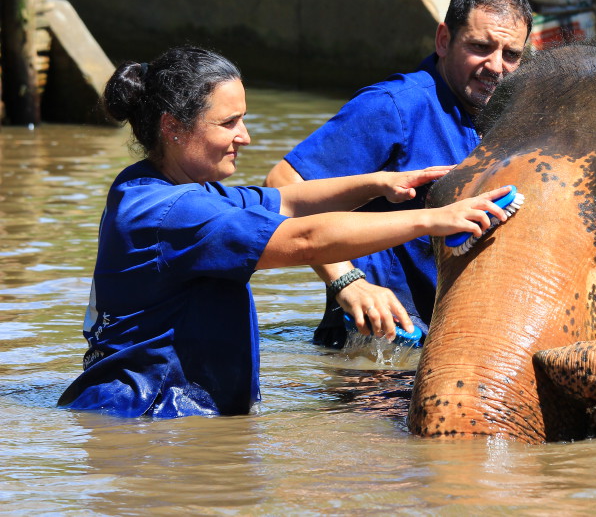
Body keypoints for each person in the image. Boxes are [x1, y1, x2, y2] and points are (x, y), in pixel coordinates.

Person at [58, 46, 512, 418]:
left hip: (155, 411)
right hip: (147, 419)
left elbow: (287, 200)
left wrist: (384, 183)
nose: (246, 136)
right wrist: (433, 220)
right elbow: (302, 239)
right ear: (173, 128)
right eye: (229, 123)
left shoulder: (151, 187)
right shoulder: (174, 213)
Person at [265, 0, 533, 347]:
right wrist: (348, 282)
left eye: (511, 55)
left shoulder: (509, 119)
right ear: (444, 40)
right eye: (480, 47)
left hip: (452, 339)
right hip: (378, 342)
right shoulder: (395, 106)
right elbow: (282, 185)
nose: (496, 66)